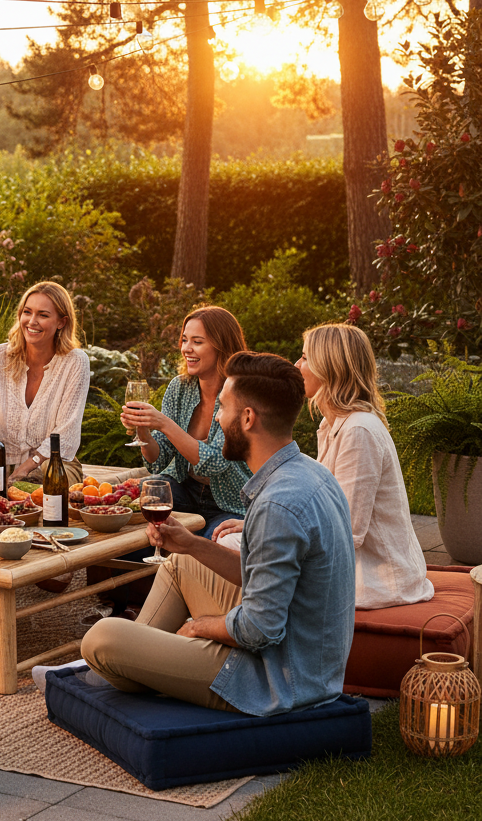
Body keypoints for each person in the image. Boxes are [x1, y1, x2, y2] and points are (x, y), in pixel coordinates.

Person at [75, 352, 356, 717]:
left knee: (101, 638)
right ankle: (136, 662)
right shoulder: (305, 473)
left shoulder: (278, 504)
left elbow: (259, 629)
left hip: (275, 676)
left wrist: (198, 628)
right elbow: (258, 575)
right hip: (303, 656)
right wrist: (191, 544)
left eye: (222, 408)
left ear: (248, 418)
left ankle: (126, 665)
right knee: (180, 562)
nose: (216, 421)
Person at [214, 323, 433, 610]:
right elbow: (323, 511)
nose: (297, 364)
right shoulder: (333, 425)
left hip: (376, 581)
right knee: (232, 542)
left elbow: (346, 531)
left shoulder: (359, 430)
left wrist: (268, 535)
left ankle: (240, 629)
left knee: (233, 550)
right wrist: (254, 525)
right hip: (350, 563)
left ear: (330, 366)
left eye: (305, 357)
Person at [122, 306, 252, 539]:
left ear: (221, 346)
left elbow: (215, 462)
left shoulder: (241, 393)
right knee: (138, 494)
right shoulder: (179, 387)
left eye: (197, 342)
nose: (186, 349)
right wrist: (143, 431)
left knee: (216, 543)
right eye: (184, 340)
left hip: (229, 505)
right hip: (186, 490)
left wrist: (163, 423)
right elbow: (157, 461)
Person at [0, 281, 89, 486]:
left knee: (48, 486)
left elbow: (66, 434)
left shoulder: (75, 362)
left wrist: (25, 469)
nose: (32, 321)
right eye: (27, 312)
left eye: (43, 315)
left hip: (50, 464)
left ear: (61, 322)